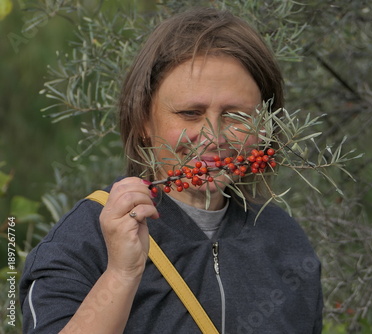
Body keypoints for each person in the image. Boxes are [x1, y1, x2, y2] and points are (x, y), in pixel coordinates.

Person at [20, 8, 323, 333]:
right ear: (142, 121)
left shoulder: (285, 241)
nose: (213, 137)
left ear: (265, 127)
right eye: (190, 113)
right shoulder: (84, 241)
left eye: (236, 116)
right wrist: (121, 275)